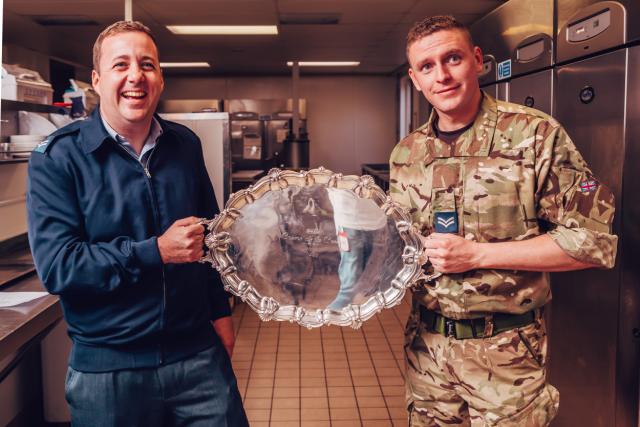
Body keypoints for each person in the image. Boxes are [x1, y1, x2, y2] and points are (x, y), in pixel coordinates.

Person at [389, 15, 617, 426]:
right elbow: (402, 248)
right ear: (415, 78)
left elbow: (592, 243)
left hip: (507, 354)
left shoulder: (535, 135)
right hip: (426, 354)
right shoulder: (406, 154)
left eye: (452, 58)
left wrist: (477, 254)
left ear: (477, 60)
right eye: (427, 66)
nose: (441, 75)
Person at [27, 21, 248, 426]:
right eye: (120, 65)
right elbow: (59, 266)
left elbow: (212, 240)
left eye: (147, 65)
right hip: (109, 371)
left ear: (160, 78)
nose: (136, 76)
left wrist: (220, 313)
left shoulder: (184, 145)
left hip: (197, 356)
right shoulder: (58, 157)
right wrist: (155, 251)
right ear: (96, 79)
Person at [326, 188, 387, 310]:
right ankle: (345, 296)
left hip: (376, 216)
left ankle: (356, 293)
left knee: (368, 258)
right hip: (348, 216)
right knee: (351, 259)